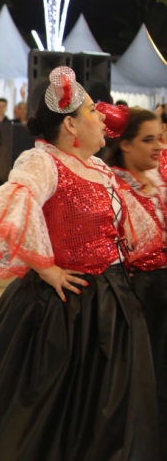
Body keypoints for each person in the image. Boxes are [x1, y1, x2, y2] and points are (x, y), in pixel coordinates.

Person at [0, 67, 161, 460]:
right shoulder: (44, 162)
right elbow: (15, 203)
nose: (103, 115)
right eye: (93, 110)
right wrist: (46, 266)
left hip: (110, 300)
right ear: (70, 124)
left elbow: (128, 230)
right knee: (45, 406)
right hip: (63, 308)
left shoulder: (101, 168)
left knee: (108, 405)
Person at [103, 106, 167, 456]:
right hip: (137, 294)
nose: (158, 147)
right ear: (125, 145)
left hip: (161, 291)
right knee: (143, 377)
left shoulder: (157, 182)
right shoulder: (111, 185)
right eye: (148, 140)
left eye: (159, 138)